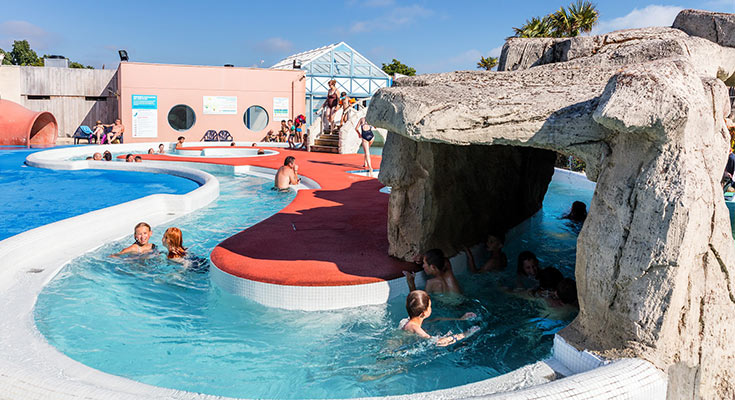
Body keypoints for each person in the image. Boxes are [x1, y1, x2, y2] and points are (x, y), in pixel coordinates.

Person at [401, 290, 480, 347]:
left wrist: (461, 319)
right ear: (424, 313)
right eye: (430, 306)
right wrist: (464, 334)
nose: (431, 308)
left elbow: (437, 319)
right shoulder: (415, 328)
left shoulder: (411, 322)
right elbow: (437, 343)